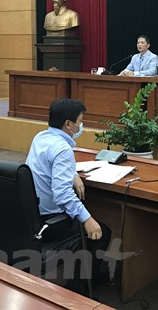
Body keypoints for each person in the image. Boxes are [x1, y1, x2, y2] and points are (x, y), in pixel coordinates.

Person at [26, 98, 111, 285]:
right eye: (80, 121)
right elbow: (62, 194)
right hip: (51, 222)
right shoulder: (63, 149)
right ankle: (80, 288)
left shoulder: (40, 138)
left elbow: (45, 167)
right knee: (102, 232)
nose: (81, 126)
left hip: (31, 217)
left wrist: (71, 173)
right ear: (68, 124)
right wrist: (87, 220)